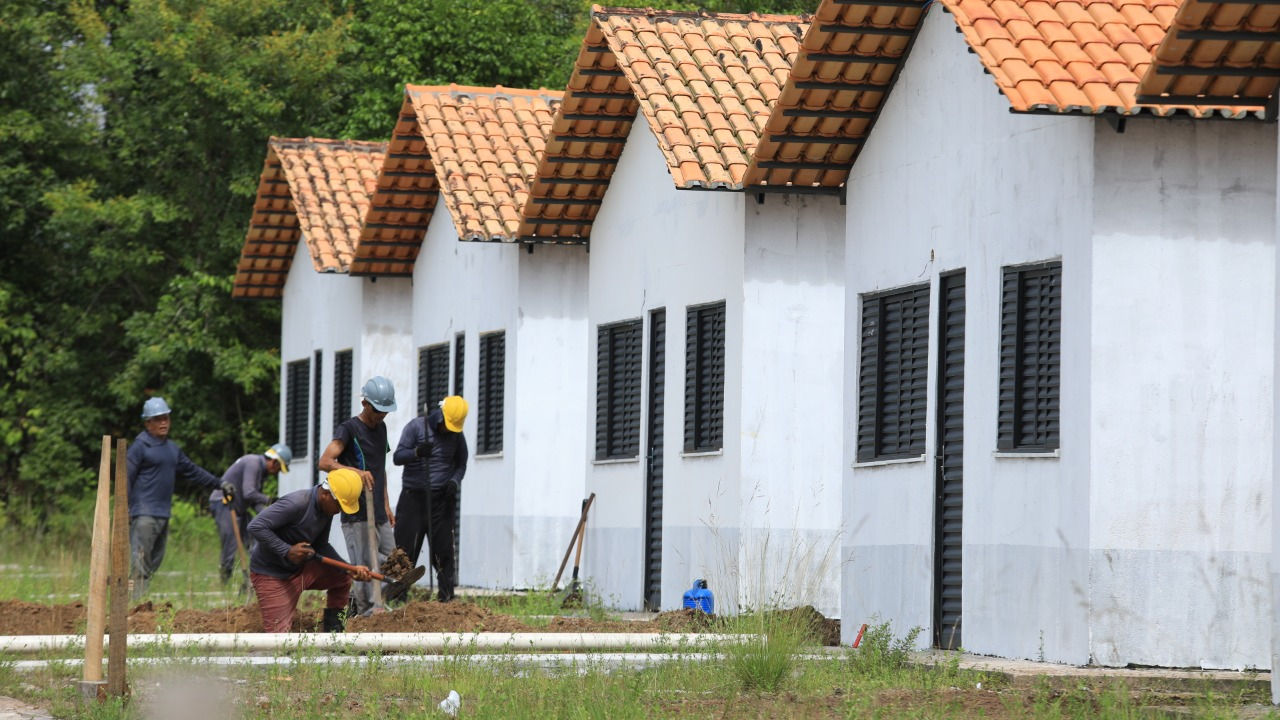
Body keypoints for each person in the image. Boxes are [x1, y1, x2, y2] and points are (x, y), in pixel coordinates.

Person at [127, 396, 236, 598]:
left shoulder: (172, 449)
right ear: (147, 423)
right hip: (143, 513)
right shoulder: (139, 448)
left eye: (166, 418)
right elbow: (125, 478)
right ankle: (132, 603)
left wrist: (220, 483)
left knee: (153, 562)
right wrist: (124, 508)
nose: (163, 423)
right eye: (158, 419)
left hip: (162, 513)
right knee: (139, 562)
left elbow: (193, 471)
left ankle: (139, 601)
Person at [246, 468, 372, 632]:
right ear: (326, 493)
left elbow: (321, 546)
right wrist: (287, 550)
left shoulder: (327, 509)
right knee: (277, 639)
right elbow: (255, 526)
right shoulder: (296, 503)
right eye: (339, 505)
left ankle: (334, 634)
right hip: (272, 574)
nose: (339, 510)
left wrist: (348, 568)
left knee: (341, 577)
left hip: (300, 569)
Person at [318, 375, 397, 616]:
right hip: (356, 511)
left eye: (385, 411)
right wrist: (356, 472)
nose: (380, 416)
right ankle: (365, 613)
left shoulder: (381, 428)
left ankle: (371, 601)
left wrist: (387, 504)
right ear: (365, 404)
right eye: (377, 410)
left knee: (393, 560)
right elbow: (325, 462)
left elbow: (379, 466)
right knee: (364, 565)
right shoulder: (349, 429)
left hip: (378, 510)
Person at [392, 395, 468, 602]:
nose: (448, 430)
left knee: (444, 551)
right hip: (413, 499)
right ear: (441, 416)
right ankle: (397, 599)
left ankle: (446, 598)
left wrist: (454, 481)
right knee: (404, 552)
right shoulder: (416, 428)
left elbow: (461, 463)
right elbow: (397, 457)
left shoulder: (457, 436)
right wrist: (416, 452)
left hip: (442, 500)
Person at [210, 443, 291, 584]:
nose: (276, 472)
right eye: (278, 469)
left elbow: (254, 502)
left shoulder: (261, 471)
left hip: (239, 508)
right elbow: (249, 493)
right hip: (223, 503)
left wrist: (270, 519)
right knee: (231, 543)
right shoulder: (253, 463)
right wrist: (270, 500)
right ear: (274, 462)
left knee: (255, 536)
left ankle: (254, 579)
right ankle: (225, 582)